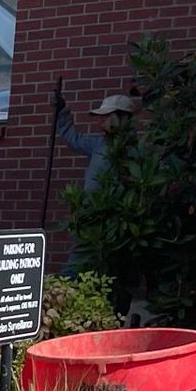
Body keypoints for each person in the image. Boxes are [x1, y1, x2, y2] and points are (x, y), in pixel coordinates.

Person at [55, 89, 139, 276]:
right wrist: (61, 111)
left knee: (114, 269)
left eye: (106, 117)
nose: (100, 122)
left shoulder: (136, 152)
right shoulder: (99, 144)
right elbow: (73, 138)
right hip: (92, 217)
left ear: (124, 118)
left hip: (119, 222)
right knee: (77, 264)